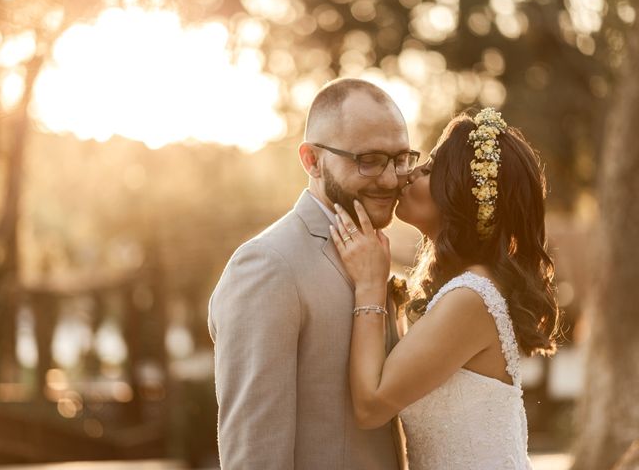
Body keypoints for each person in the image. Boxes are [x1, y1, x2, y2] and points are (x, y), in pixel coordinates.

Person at [330, 108, 560, 469]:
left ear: (460, 194)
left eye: (431, 168)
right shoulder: (460, 290)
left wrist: (370, 286)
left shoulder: (473, 297)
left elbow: (371, 405)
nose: (409, 173)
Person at [208, 78, 419, 469]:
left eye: (401, 158)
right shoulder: (267, 266)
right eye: (368, 160)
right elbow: (255, 454)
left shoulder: (377, 255)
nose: (391, 179)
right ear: (312, 160)